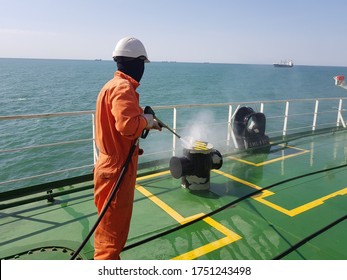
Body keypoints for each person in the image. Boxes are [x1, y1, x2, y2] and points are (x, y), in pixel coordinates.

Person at [93, 37, 161, 260]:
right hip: (117, 169)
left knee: (108, 226)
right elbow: (128, 126)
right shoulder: (123, 88)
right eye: (142, 63)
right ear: (138, 62)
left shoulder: (110, 86)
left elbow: (125, 121)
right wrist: (146, 118)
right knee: (111, 239)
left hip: (109, 164)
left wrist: (149, 122)